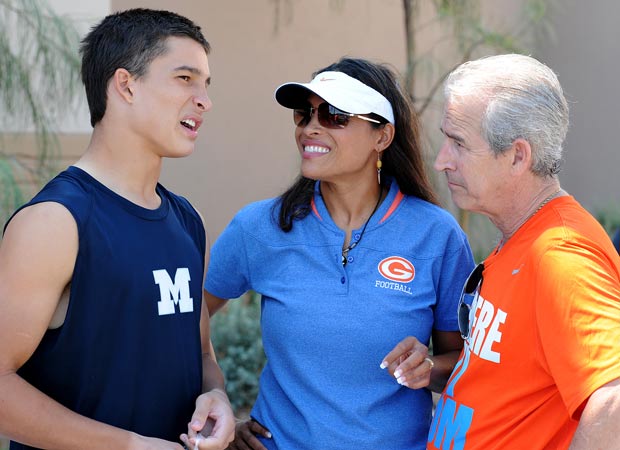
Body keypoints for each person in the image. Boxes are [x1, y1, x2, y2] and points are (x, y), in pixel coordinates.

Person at [204, 57, 474, 450]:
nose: (311, 126)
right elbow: (188, 314)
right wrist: (218, 401)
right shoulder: (259, 227)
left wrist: (429, 366)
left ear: (381, 136)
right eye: (304, 113)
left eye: (334, 115)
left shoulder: (436, 236)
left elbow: (465, 363)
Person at [0, 8, 235, 450]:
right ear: (126, 84)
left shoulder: (187, 220)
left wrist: (216, 395)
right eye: (185, 79)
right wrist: (131, 446)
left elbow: (201, 354)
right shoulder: (55, 221)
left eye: (206, 85)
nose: (204, 100)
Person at [429, 54, 620, 449]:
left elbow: (613, 403)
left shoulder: (561, 255)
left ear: (518, 156)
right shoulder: (525, 238)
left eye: (458, 144)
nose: (441, 161)